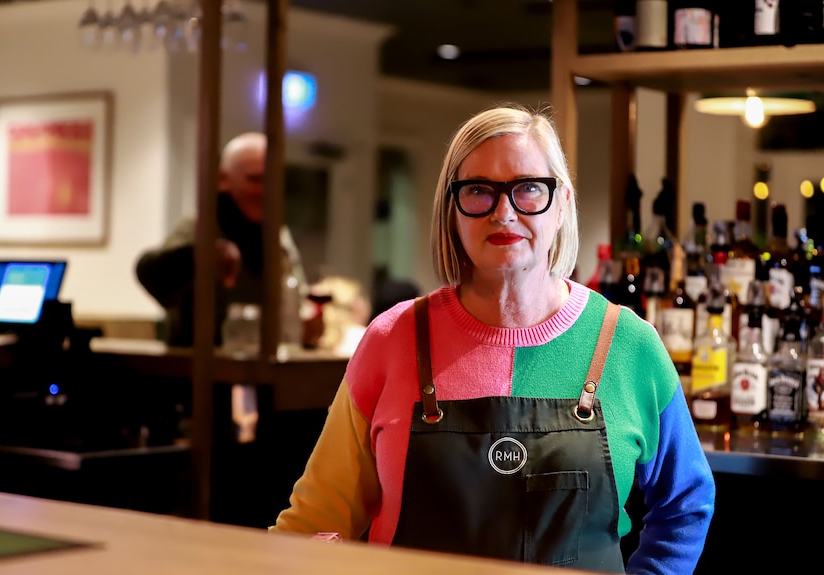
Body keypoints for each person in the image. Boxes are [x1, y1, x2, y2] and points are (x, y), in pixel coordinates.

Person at [269, 103, 715, 573]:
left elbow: (686, 503)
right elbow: (318, 515)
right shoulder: (393, 339)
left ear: (562, 202)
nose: (504, 212)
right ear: (452, 207)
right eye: (479, 191)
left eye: (527, 189)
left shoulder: (629, 345)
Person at [135, 131, 306, 347]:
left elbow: (294, 296)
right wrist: (202, 255)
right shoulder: (202, 226)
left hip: (260, 369)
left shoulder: (276, 234)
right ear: (222, 179)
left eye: (271, 180)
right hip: (202, 371)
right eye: (255, 179)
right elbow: (150, 272)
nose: (265, 191)